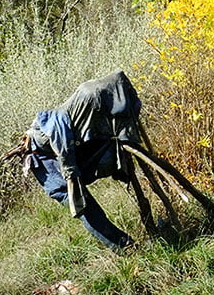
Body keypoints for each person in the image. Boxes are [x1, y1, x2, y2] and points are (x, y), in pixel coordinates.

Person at [19, 70, 142, 253]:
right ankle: (125, 248)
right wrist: (71, 175)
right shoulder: (58, 120)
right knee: (83, 205)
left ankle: (126, 244)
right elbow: (61, 143)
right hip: (41, 159)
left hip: (63, 151)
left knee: (86, 198)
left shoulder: (87, 105)